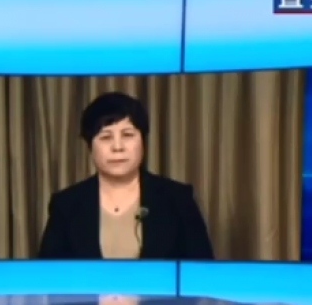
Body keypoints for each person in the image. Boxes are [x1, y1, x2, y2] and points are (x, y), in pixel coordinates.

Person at [38, 92, 214, 260]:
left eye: (128, 135)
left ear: (143, 141)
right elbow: (47, 275)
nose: (117, 147)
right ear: (90, 146)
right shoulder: (66, 205)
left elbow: (203, 273)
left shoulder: (178, 199)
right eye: (106, 137)